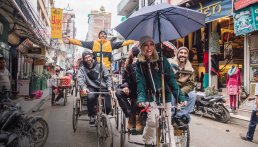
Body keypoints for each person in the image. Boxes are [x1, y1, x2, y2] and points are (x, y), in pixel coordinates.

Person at [136, 36, 186, 146]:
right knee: (153, 122)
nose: (149, 48)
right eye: (145, 45)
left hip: (165, 95)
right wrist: (141, 98)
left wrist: (180, 97)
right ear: (141, 47)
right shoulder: (139, 63)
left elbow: (171, 80)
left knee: (168, 123)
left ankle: (171, 144)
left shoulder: (162, 60)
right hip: (151, 97)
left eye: (151, 44)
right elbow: (141, 82)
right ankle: (148, 142)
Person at [63, 30, 135, 69]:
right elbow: (81, 42)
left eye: (104, 34)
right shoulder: (94, 43)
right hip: (95, 68)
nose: (103, 34)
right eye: (101, 34)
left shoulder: (110, 44)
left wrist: (133, 40)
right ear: (98, 36)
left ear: (106, 36)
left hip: (107, 69)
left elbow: (123, 43)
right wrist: (70, 40)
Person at [77, 51, 112, 126]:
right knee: (90, 97)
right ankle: (92, 115)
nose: (88, 59)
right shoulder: (82, 68)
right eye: (86, 58)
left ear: (92, 57)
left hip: (103, 87)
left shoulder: (100, 65)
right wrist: (83, 87)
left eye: (89, 57)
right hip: (91, 87)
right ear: (83, 59)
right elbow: (79, 78)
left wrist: (109, 87)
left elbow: (107, 76)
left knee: (108, 107)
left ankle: (104, 116)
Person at [115, 46, 142, 131]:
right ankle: (130, 115)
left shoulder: (142, 65)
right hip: (131, 89)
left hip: (141, 91)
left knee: (136, 100)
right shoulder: (126, 66)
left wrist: (135, 66)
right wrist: (125, 86)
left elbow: (138, 80)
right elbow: (124, 79)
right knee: (119, 93)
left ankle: (137, 119)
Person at [167, 46, 196, 113]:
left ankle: (184, 114)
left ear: (187, 55)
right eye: (181, 52)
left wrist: (181, 92)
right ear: (177, 54)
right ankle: (172, 113)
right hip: (170, 88)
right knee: (172, 95)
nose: (183, 55)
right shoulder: (170, 64)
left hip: (183, 89)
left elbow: (190, 85)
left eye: (185, 53)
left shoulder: (190, 69)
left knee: (193, 95)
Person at [240, 70, 258, 142]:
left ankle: (249, 137)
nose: (254, 79)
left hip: (256, 108)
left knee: (252, 123)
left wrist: (257, 110)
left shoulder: (257, 85)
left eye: (254, 77)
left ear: (257, 76)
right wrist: (253, 98)